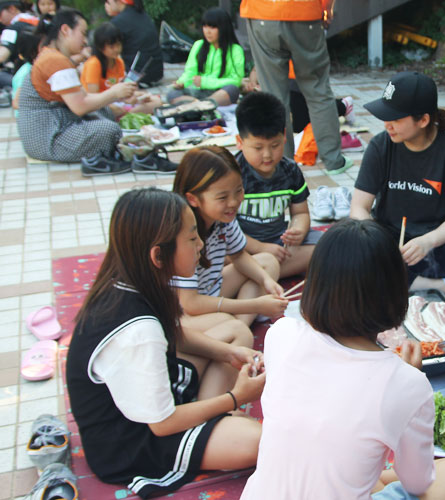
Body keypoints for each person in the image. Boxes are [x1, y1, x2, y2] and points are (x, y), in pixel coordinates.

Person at [240, 218, 445, 500]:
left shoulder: (281, 333)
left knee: (352, 465)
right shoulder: (406, 383)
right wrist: (406, 380)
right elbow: (418, 483)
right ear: (395, 294)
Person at [66, 187, 264, 498]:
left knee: (236, 335)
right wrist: (235, 397)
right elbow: (161, 423)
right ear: (158, 255)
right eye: (191, 238)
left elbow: (173, 334)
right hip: (129, 441)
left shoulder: (129, 280)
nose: (200, 244)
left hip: (147, 404)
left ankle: (209, 418)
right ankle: (213, 419)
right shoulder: (137, 332)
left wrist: (230, 352)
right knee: (260, 441)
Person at [351, 71, 445, 297]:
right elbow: (359, 207)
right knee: (344, 242)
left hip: (434, 242)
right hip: (388, 237)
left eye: (395, 119)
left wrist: (427, 242)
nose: (387, 125)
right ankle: (427, 284)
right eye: (386, 117)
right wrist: (380, 243)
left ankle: (390, 279)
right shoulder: (380, 146)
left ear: (423, 120)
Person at [172, 146, 289, 331]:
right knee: (226, 321)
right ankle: (236, 328)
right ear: (193, 199)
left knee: (268, 263)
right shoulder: (182, 233)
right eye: (222, 197)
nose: (234, 202)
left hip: (212, 290)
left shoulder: (224, 218)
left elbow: (239, 256)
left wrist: (266, 281)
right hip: (184, 312)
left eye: (238, 191)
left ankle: (238, 327)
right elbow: (190, 303)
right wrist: (255, 305)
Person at [241, 0, 353, 175]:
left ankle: (282, 165)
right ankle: (334, 161)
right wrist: (326, 9)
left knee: (273, 96)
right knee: (318, 91)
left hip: (261, 12)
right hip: (305, 12)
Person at [17, 8, 136, 172]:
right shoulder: (54, 60)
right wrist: (115, 93)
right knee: (109, 130)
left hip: (49, 131)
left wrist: (116, 102)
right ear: (66, 30)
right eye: (83, 33)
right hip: (47, 139)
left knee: (105, 112)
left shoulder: (52, 56)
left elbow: (85, 99)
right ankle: (97, 160)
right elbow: (80, 106)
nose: (86, 41)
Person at [235, 91, 318, 278]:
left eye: (274, 145)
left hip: (280, 246)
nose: (267, 155)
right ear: (240, 142)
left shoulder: (290, 170)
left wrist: (298, 229)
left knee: (324, 247)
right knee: (215, 252)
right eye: (258, 147)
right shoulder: (232, 174)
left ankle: (255, 274)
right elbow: (225, 231)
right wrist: (261, 248)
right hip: (242, 246)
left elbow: (301, 213)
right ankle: (261, 271)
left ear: (285, 138)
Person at [80, 22, 161, 117]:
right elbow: (93, 97)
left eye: (118, 45)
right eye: (111, 47)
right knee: (116, 110)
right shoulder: (94, 64)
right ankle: (127, 114)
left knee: (156, 101)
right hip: (101, 105)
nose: (116, 49)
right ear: (100, 47)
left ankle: (127, 114)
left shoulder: (119, 62)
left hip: (118, 101)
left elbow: (122, 91)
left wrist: (135, 96)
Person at [167, 7, 244, 107]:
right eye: (205, 26)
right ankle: (203, 106)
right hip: (198, 93)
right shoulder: (198, 45)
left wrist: (205, 82)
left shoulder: (235, 50)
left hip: (220, 92)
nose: (208, 31)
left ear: (223, 28)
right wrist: (181, 83)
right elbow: (190, 72)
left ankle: (198, 106)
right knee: (172, 93)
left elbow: (236, 80)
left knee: (232, 89)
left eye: (212, 27)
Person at [104, 0, 163, 87]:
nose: (106, 4)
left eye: (107, 1)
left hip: (136, 77)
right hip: (156, 73)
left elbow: (105, 50)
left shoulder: (118, 22)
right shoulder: (143, 15)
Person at [0, 0, 40, 91]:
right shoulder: (39, 22)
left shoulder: (11, 29)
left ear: (12, 9)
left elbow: (2, 55)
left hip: (25, 78)